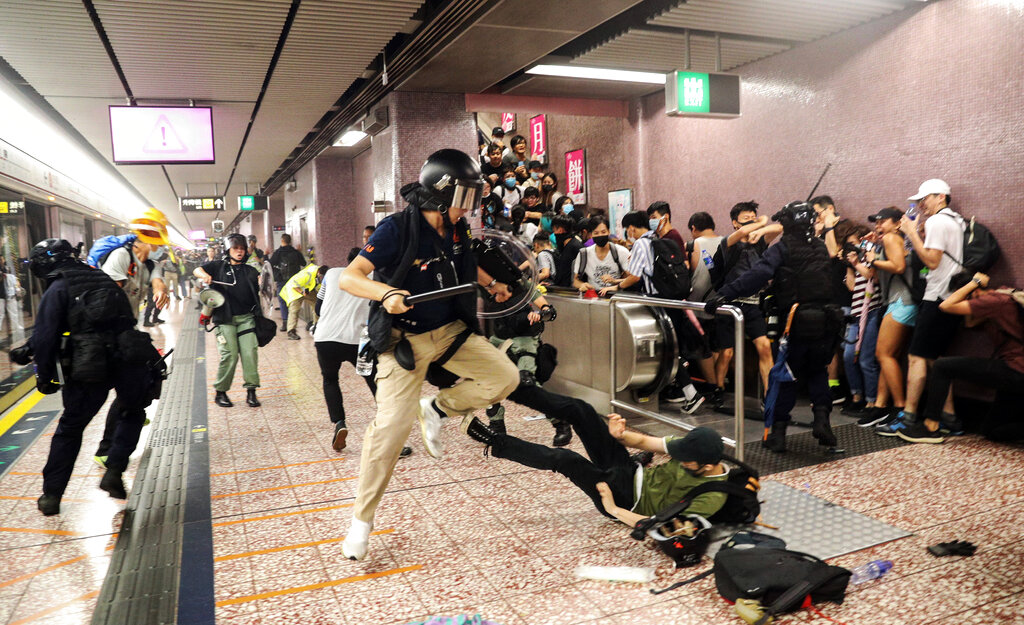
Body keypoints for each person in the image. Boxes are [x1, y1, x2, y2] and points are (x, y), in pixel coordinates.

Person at [339, 148, 520, 561]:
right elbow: (351, 278)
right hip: (406, 342)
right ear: (441, 194)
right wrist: (385, 293)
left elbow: (466, 263)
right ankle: (361, 523)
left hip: (452, 332)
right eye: (465, 198)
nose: (470, 208)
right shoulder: (396, 230)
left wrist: (492, 285)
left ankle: (437, 408)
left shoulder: (457, 230)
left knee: (504, 378)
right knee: (389, 430)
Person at [20, 239, 162, 515]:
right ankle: (115, 469)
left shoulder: (58, 287)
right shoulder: (104, 277)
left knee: (70, 429)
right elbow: (128, 319)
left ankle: (52, 495)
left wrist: (45, 377)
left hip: (89, 364)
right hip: (127, 357)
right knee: (132, 411)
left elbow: (45, 337)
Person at [461, 386, 727, 525]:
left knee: (566, 459)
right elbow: (646, 441)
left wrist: (613, 509)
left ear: (705, 466)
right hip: (631, 471)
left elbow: (660, 526)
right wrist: (620, 435)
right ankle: (516, 389)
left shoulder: (711, 496)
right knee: (583, 410)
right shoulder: (693, 448)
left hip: (626, 499)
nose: (677, 458)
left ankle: (493, 440)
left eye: (684, 460)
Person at [708, 202, 843, 452]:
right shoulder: (820, 247)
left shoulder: (782, 249)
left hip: (796, 320)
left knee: (785, 375)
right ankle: (823, 420)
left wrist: (724, 295)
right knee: (817, 372)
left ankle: (777, 433)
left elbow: (756, 275)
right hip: (827, 321)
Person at [878, 179, 964, 436]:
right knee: (936, 361)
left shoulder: (938, 221)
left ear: (940, 197)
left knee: (916, 357)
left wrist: (912, 233)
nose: (921, 204)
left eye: (925, 198)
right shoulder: (956, 221)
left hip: (937, 297)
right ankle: (948, 416)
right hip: (950, 298)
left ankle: (910, 417)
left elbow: (932, 261)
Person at [897, 272, 1024, 444]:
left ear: (974, 292)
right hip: (1014, 373)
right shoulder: (1004, 295)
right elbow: (970, 323)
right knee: (992, 431)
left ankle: (930, 426)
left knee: (942, 366)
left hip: (1015, 370)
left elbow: (945, 306)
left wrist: (973, 283)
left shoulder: (992, 302)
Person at [315, 248, 413, 457]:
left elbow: (317, 308)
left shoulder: (332, 274)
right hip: (356, 341)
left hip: (324, 338)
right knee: (375, 382)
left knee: (330, 380)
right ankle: (391, 439)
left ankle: (339, 423)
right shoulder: (376, 281)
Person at [617, 211, 704, 413]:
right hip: (671, 300)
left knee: (667, 349)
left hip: (656, 302)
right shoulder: (658, 239)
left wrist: (617, 286)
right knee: (671, 347)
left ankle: (691, 393)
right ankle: (682, 391)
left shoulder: (640, 244)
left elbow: (635, 277)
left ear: (631, 227)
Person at [713, 202, 781, 400]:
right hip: (728, 303)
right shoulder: (728, 243)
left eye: (754, 216)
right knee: (726, 353)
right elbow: (743, 231)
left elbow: (779, 228)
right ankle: (718, 388)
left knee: (764, 346)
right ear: (734, 222)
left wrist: (762, 227)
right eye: (746, 218)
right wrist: (759, 221)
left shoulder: (760, 242)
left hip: (753, 304)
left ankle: (770, 394)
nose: (752, 221)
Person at [859, 207, 917, 428]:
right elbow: (874, 273)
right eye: (877, 222)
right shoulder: (890, 240)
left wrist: (873, 259)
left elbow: (899, 266)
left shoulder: (893, 237)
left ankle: (900, 408)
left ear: (896, 223)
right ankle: (882, 407)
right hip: (899, 301)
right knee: (889, 356)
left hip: (901, 300)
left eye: (883, 222)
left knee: (883, 354)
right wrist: (871, 252)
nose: (879, 226)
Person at [194, 233, 263, 408]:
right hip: (224, 319)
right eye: (235, 248)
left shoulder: (251, 271)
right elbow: (197, 270)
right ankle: (221, 392)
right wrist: (204, 276)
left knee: (250, 354)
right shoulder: (217, 266)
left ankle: (251, 392)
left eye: (242, 249)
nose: (239, 252)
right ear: (228, 249)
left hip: (247, 319)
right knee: (229, 355)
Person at [838, 222, 882, 415]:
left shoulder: (872, 254)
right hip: (856, 314)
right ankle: (857, 396)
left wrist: (857, 261)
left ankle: (872, 402)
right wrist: (849, 265)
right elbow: (851, 287)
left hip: (872, 311)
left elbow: (874, 276)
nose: (853, 248)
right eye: (849, 245)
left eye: (855, 243)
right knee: (848, 356)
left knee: (866, 360)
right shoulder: (856, 261)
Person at [572, 216, 629, 296]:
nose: (600, 235)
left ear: (609, 232)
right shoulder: (584, 254)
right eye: (596, 233)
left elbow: (632, 279)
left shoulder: (621, 252)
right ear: (591, 235)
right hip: (594, 298)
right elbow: (575, 281)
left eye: (603, 232)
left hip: (616, 298)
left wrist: (615, 282)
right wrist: (582, 285)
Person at [280, 263, 328, 340]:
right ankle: (291, 331)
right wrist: (302, 292)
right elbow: (294, 284)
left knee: (317, 305)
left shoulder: (321, 274)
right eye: (321, 276)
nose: (322, 278)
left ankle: (316, 325)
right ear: (318, 272)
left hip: (307, 290)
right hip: (295, 290)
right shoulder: (307, 274)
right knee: (294, 310)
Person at [269, 233, 307, 332]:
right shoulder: (295, 252)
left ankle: (285, 322)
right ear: (290, 241)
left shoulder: (278, 252)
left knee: (282, 300)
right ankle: (292, 323)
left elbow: (270, 264)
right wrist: (300, 252)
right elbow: (304, 263)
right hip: (295, 281)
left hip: (282, 280)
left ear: (282, 241)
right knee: (293, 301)